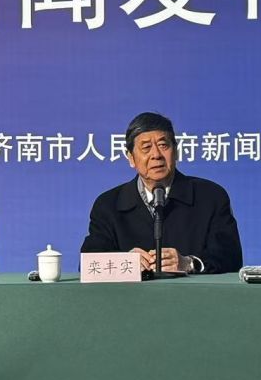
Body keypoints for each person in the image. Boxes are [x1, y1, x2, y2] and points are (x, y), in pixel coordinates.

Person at [82, 112, 243, 275]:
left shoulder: (210, 197)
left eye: (163, 145)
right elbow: (88, 264)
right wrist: (125, 263)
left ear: (176, 151)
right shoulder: (108, 205)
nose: (156, 155)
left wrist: (189, 263)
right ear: (131, 158)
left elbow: (230, 257)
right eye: (146, 148)